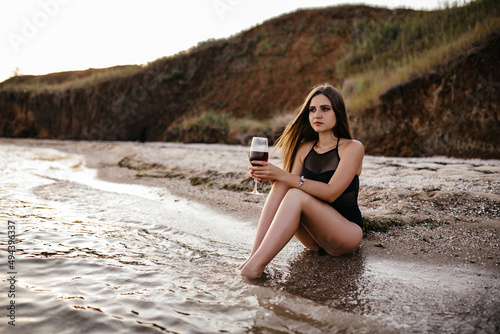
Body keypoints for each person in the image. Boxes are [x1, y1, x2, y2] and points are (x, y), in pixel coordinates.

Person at [238, 83, 364, 279]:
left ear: (337, 113)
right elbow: (287, 186)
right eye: (312, 110)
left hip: (345, 234)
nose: (317, 115)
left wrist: (282, 175)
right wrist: (271, 177)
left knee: (293, 191)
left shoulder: (352, 148)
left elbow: (331, 193)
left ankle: (253, 268)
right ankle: (253, 258)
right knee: (283, 186)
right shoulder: (305, 148)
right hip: (315, 239)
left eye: (325, 109)